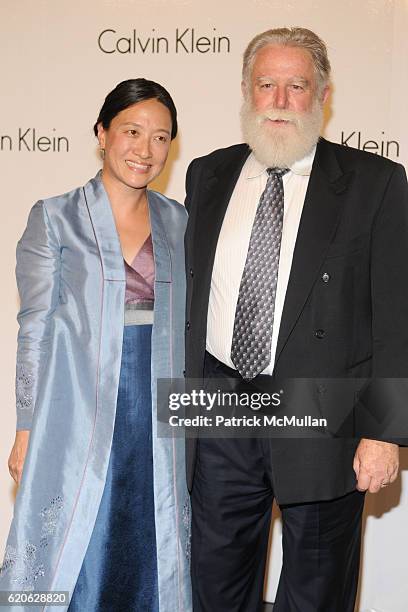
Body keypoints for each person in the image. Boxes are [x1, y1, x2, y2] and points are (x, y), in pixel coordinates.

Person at [184, 27, 408, 612]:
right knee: (213, 587)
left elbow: (395, 314)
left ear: (323, 94)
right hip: (218, 409)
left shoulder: (374, 183)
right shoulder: (207, 175)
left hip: (324, 417)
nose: (280, 101)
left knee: (317, 594)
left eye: (297, 86)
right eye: (267, 85)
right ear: (245, 90)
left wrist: (384, 431)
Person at [0, 79, 192, 611]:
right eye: (132, 131)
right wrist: (25, 428)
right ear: (102, 134)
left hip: (157, 410)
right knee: (80, 529)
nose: (145, 149)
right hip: (77, 406)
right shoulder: (54, 217)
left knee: (148, 529)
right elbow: (34, 326)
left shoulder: (177, 221)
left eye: (160, 138)